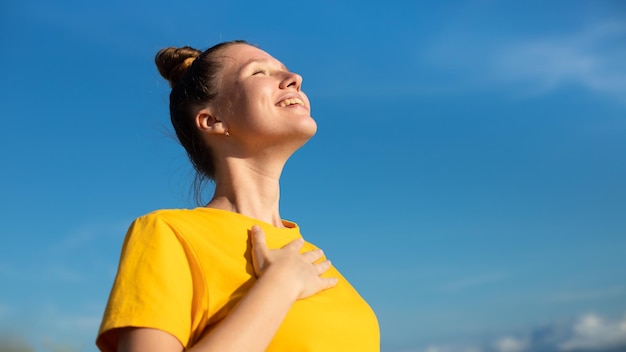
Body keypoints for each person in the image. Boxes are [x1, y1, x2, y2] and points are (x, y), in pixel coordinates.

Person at [96, 40, 380, 352]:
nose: (295, 78)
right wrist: (279, 286)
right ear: (212, 120)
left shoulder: (311, 257)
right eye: (259, 72)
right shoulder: (170, 233)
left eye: (286, 71)